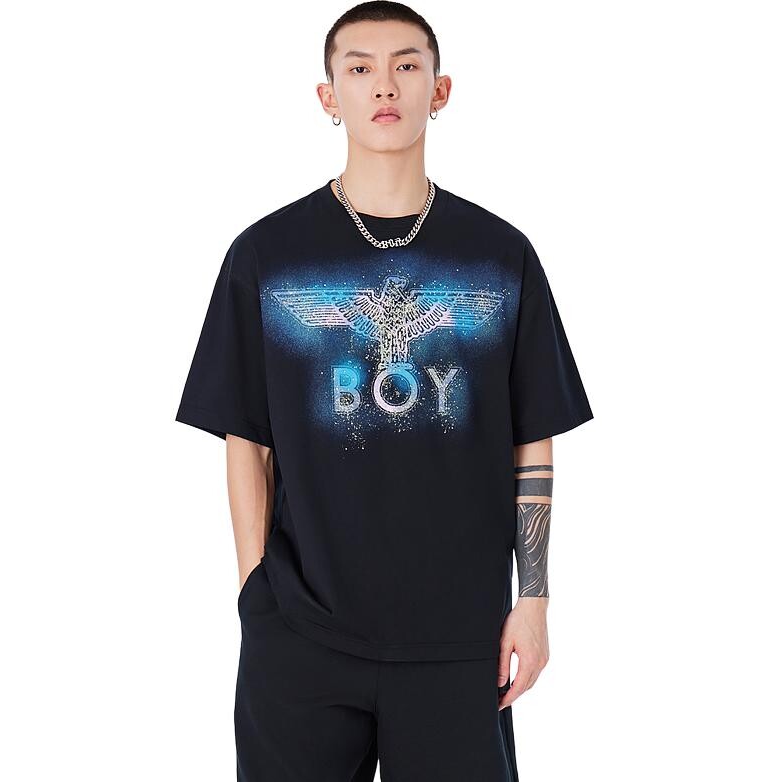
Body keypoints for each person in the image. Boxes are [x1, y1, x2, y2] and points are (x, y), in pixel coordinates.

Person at [175, 2, 594, 780]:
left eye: (406, 64)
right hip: (302, 632)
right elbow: (245, 439)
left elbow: (531, 435)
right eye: (359, 68)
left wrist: (533, 601)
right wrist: (256, 594)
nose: (384, 85)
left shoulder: (500, 256)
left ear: (441, 89)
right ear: (328, 96)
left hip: (460, 636)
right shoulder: (267, 255)